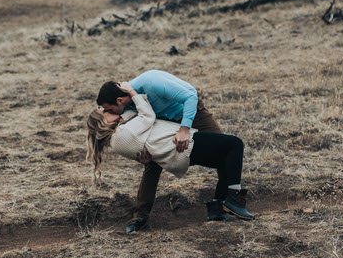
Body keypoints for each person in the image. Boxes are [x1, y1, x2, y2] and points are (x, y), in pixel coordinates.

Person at [87, 81, 254, 233]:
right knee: (235, 145)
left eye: (108, 108)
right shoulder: (122, 133)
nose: (112, 111)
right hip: (180, 143)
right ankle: (233, 200)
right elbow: (147, 116)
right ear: (103, 122)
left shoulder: (121, 128)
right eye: (106, 112)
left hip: (174, 145)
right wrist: (132, 93)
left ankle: (217, 210)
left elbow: (132, 115)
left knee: (226, 159)